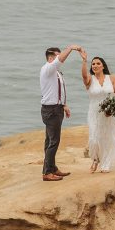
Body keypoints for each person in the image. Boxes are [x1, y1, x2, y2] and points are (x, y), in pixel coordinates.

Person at [39, 44, 82, 181]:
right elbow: (61, 59)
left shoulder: (56, 72)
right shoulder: (48, 68)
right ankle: (47, 173)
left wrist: (64, 105)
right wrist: (71, 48)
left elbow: (58, 90)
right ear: (51, 58)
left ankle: (52, 168)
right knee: (54, 141)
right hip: (51, 110)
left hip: (57, 108)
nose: (60, 57)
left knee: (49, 141)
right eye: (57, 55)